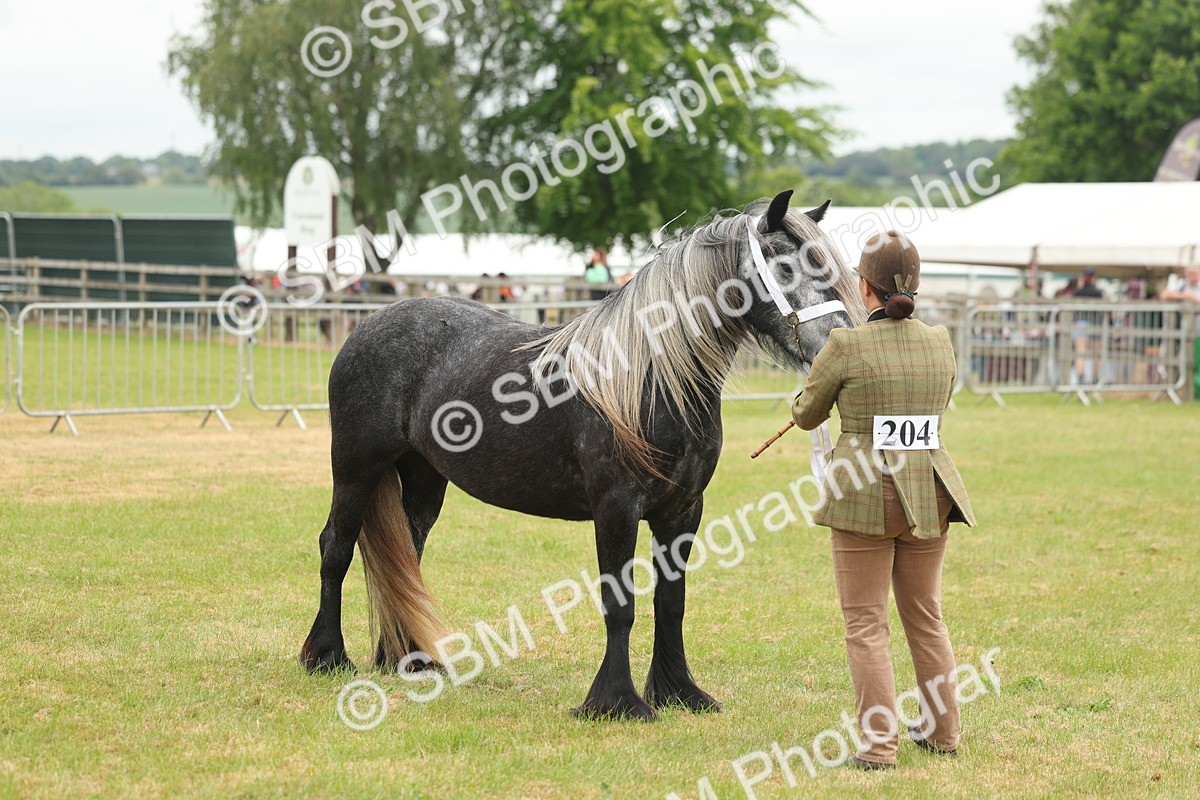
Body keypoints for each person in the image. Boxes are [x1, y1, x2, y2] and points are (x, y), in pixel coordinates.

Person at [791, 230, 976, 771]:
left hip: (864, 496)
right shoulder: (941, 341)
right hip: (929, 494)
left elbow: (806, 413)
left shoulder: (846, 345)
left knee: (866, 624)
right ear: (914, 285)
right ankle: (943, 733)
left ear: (863, 287)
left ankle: (878, 748)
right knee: (926, 617)